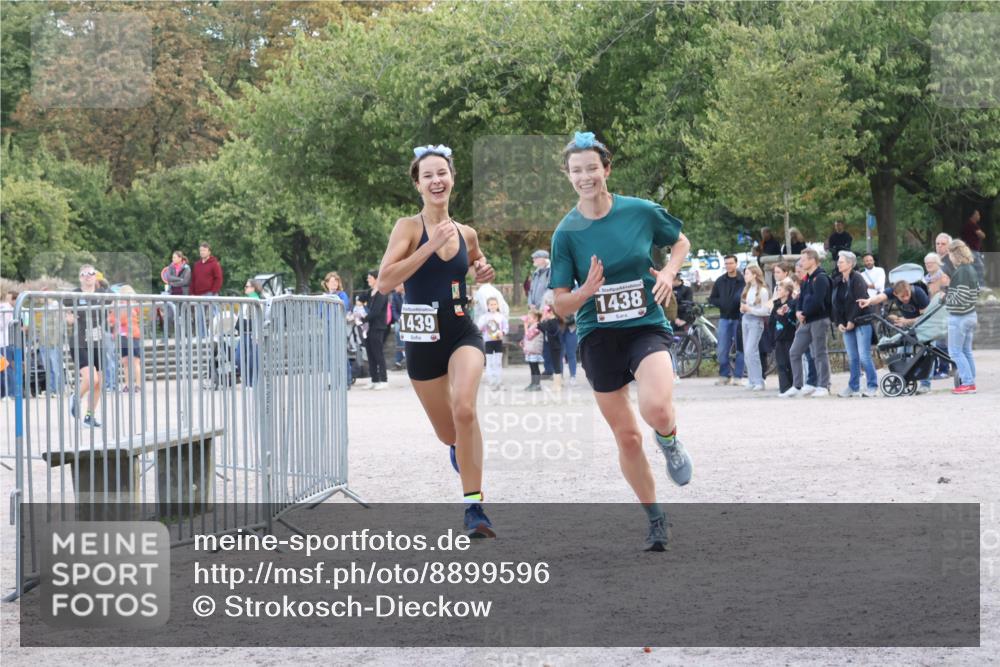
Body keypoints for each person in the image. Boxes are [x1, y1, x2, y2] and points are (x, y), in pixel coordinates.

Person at [550, 131, 693, 552]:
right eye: (577, 171)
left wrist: (668, 273)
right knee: (627, 437)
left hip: (645, 325)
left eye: (592, 168)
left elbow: (680, 241)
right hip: (598, 335)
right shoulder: (566, 233)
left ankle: (669, 440)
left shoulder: (640, 212)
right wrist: (584, 292)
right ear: (569, 176)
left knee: (656, 407)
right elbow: (560, 304)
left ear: (606, 169)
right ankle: (656, 518)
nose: (586, 176)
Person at [374, 143, 497, 538]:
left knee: (465, 410)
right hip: (422, 341)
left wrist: (482, 267)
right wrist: (428, 245)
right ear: (418, 185)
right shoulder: (408, 228)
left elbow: (475, 258)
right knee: (450, 433)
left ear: (452, 178)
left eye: (441, 172)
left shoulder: (466, 232)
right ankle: (456, 449)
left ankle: (474, 508)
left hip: (463, 332)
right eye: (427, 175)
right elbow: (387, 281)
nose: (436, 180)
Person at [858, 279, 932, 392]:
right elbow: (879, 297)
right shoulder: (891, 291)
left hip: (925, 327)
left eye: (908, 294)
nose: (906, 298)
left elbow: (926, 317)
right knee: (901, 352)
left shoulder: (918, 293)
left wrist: (908, 321)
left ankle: (925, 384)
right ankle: (902, 381)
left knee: (925, 353)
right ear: (895, 294)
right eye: (903, 297)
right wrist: (869, 301)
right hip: (907, 327)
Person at [65, 265, 111, 427]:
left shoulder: (103, 294)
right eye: (84, 274)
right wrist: (67, 317)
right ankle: (75, 397)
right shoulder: (74, 294)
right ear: (80, 277)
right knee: (91, 378)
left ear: (95, 276)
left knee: (99, 382)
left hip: (97, 342)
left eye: (91, 273)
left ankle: (89, 416)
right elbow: (65, 311)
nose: (88, 276)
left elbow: (117, 300)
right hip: (79, 341)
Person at [784, 248, 832, 398]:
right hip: (806, 321)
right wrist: (798, 311)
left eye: (804, 260)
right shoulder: (807, 279)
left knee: (819, 353)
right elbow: (801, 298)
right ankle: (797, 385)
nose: (801, 262)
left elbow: (818, 301)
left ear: (812, 260)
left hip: (818, 319)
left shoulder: (821, 278)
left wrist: (804, 313)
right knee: (794, 351)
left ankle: (823, 385)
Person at [831, 251, 877, 398]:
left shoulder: (858, 278)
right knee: (852, 357)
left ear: (850, 264)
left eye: (841, 262)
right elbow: (835, 304)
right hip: (846, 324)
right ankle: (853, 386)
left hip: (861, 321)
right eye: (838, 261)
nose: (838, 264)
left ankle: (872, 386)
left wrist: (852, 320)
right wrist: (839, 322)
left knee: (864, 356)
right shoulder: (838, 281)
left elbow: (860, 302)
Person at [945, 240, 980, 394]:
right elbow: (976, 292)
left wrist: (947, 298)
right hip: (971, 314)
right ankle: (970, 380)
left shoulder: (961, 271)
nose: (949, 257)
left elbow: (960, 297)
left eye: (950, 254)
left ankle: (968, 383)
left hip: (959, 316)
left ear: (955, 253)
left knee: (955, 351)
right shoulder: (971, 269)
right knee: (966, 351)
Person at [708, 255, 745, 385]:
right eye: (726, 263)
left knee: (741, 348)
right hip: (724, 318)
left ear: (736, 264)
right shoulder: (720, 281)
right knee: (722, 349)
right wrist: (722, 303)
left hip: (739, 319)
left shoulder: (743, 280)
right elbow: (712, 298)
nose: (728, 266)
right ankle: (724, 375)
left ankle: (738, 376)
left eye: (731, 263)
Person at [107, 285, 143, 394]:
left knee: (135, 361)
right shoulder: (118, 306)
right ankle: (127, 384)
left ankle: (138, 385)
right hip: (122, 335)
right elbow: (110, 320)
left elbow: (121, 319)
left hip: (133, 334)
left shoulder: (134, 306)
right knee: (125, 362)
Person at [739, 265, 771, 391]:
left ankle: (759, 380)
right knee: (747, 352)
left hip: (756, 322)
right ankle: (752, 380)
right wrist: (743, 309)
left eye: (747, 273)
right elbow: (744, 306)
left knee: (751, 351)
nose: (745, 276)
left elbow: (765, 311)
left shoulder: (762, 291)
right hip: (746, 320)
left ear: (754, 275)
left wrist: (750, 309)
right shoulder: (747, 289)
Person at [363, 269, 390, 390]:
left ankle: (384, 380)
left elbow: (375, 311)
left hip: (378, 327)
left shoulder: (382, 293)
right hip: (369, 328)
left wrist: (362, 319)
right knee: (370, 353)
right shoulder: (370, 292)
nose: (368, 279)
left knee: (378, 353)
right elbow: (360, 301)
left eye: (370, 277)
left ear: (376, 278)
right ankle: (374, 379)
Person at [770, 279, 797, 395]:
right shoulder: (776, 304)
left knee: (789, 363)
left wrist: (782, 316)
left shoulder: (791, 304)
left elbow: (790, 322)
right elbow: (771, 321)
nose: (777, 291)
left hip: (789, 337)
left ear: (787, 292)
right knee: (781, 363)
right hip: (778, 337)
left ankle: (793, 386)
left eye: (780, 289)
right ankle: (784, 388)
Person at [190, 242, 223, 336]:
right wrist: (192, 293)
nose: (202, 252)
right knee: (200, 317)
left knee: (215, 316)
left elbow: (218, 278)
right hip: (198, 295)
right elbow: (193, 279)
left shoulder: (214, 264)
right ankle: (202, 337)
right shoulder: (197, 265)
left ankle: (217, 334)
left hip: (210, 293)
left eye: (204, 250)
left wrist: (213, 291)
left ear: (209, 252)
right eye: (200, 250)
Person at [477, 296, 508, 390]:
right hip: (488, 341)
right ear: (487, 306)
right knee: (490, 361)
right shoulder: (484, 317)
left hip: (498, 341)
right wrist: (484, 324)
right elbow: (479, 328)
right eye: (491, 304)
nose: (493, 306)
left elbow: (506, 328)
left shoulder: (501, 317)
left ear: (497, 305)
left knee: (498, 361)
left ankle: (499, 381)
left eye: (495, 304)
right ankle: (491, 382)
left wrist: (502, 333)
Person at [539, 304, 564, 391]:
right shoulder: (550, 322)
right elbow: (540, 328)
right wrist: (543, 318)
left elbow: (542, 326)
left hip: (556, 347)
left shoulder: (553, 321)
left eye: (546, 312)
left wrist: (543, 318)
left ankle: (558, 385)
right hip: (552, 346)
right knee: (555, 365)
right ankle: (556, 384)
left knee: (556, 366)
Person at [960, 210, 987, 286]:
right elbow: (982, 235)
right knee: (980, 268)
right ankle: (981, 286)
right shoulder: (972, 225)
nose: (979, 216)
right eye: (978, 214)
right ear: (973, 215)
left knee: (971, 268)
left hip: (969, 250)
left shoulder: (968, 224)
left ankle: (971, 286)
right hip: (972, 250)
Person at [520, 310, 544, 392]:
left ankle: (537, 384)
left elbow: (529, 336)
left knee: (535, 367)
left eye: (529, 318)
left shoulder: (538, 326)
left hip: (534, 350)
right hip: (530, 350)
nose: (528, 319)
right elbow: (527, 337)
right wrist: (523, 342)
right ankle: (533, 383)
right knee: (532, 367)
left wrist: (525, 327)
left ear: (536, 318)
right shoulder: (532, 326)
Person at [390, 283, 405, 369]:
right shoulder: (395, 296)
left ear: (401, 285)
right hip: (399, 319)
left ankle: (399, 359)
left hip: (409, 319)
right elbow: (393, 310)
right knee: (398, 331)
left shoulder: (409, 294)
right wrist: (398, 319)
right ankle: (403, 355)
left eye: (396, 285)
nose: (394, 287)